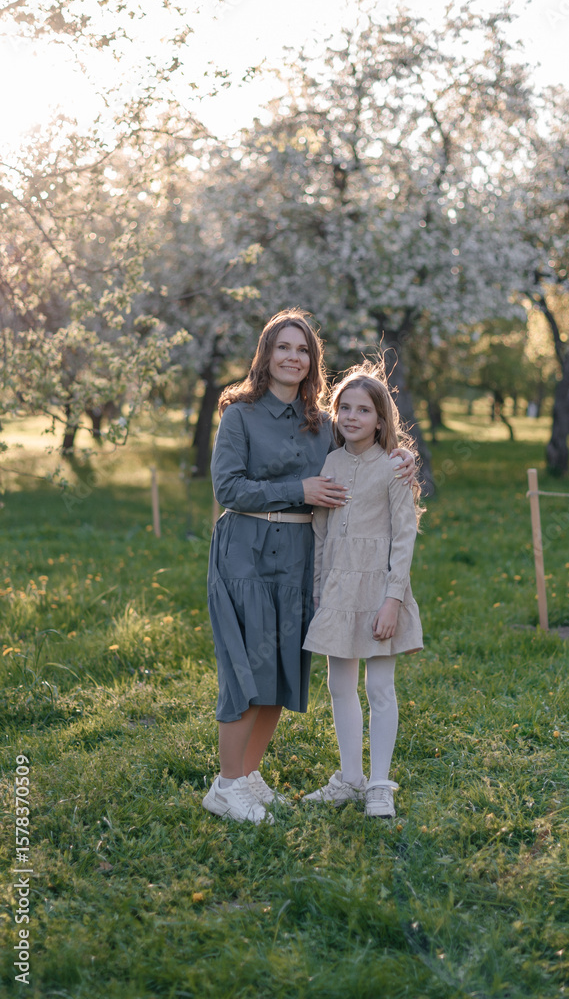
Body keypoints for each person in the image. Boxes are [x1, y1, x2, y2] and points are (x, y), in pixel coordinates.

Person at [202, 311, 415, 825]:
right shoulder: (240, 415)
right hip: (246, 553)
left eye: (303, 350)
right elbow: (227, 489)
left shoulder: (321, 423)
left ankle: (248, 776)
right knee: (245, 672)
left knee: (279, 672)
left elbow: (363, 456)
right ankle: (225, 787)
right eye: (284, 347)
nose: (293, 357)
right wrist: (296, 490)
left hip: (302, 558)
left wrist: (402, 456)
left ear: (312, 362)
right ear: (266, 354)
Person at [302, 363, 423, 819]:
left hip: (379, 589)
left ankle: (379, 784)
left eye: (363, 410)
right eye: (345, 408)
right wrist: (319, 592)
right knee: (339, 683)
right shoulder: (330, 463)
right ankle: (349, 777)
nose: (352, 417)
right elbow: (320, 532)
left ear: (380, 419)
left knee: (380, 686)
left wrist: (393, 599)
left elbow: (404, 537)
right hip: (338, 588)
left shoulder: (393, 466)